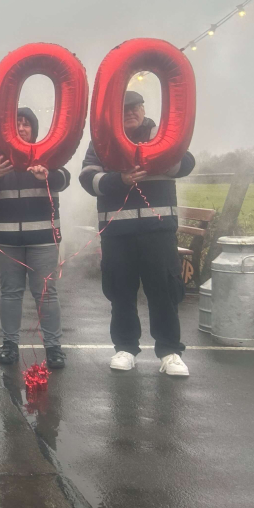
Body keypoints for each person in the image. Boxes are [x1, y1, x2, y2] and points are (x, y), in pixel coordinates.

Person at [79, 89, 195, 376]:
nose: (131, 112)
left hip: (158, 230)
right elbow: (87, 178)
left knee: (163, 291)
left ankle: (169, 352)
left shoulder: (163, 136)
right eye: (125, 108)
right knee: (120, 293)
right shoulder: (101, 141)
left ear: (144, 110)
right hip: (117, 232)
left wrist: (161, 159)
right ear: (114, 114)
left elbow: (188, 163)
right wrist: (120, 179)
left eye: (136, 107)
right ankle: (125, 348)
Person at [0, 107, 69, 369]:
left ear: (34, 130)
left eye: (26, 124)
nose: (21, 128)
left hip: (43, 239)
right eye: (16, 123)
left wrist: (47, 175)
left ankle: (53, 348)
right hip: (6, 241)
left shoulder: (46, 154)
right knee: (11, 293)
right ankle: (9, 345)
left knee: (46, 294)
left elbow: (65, 179)